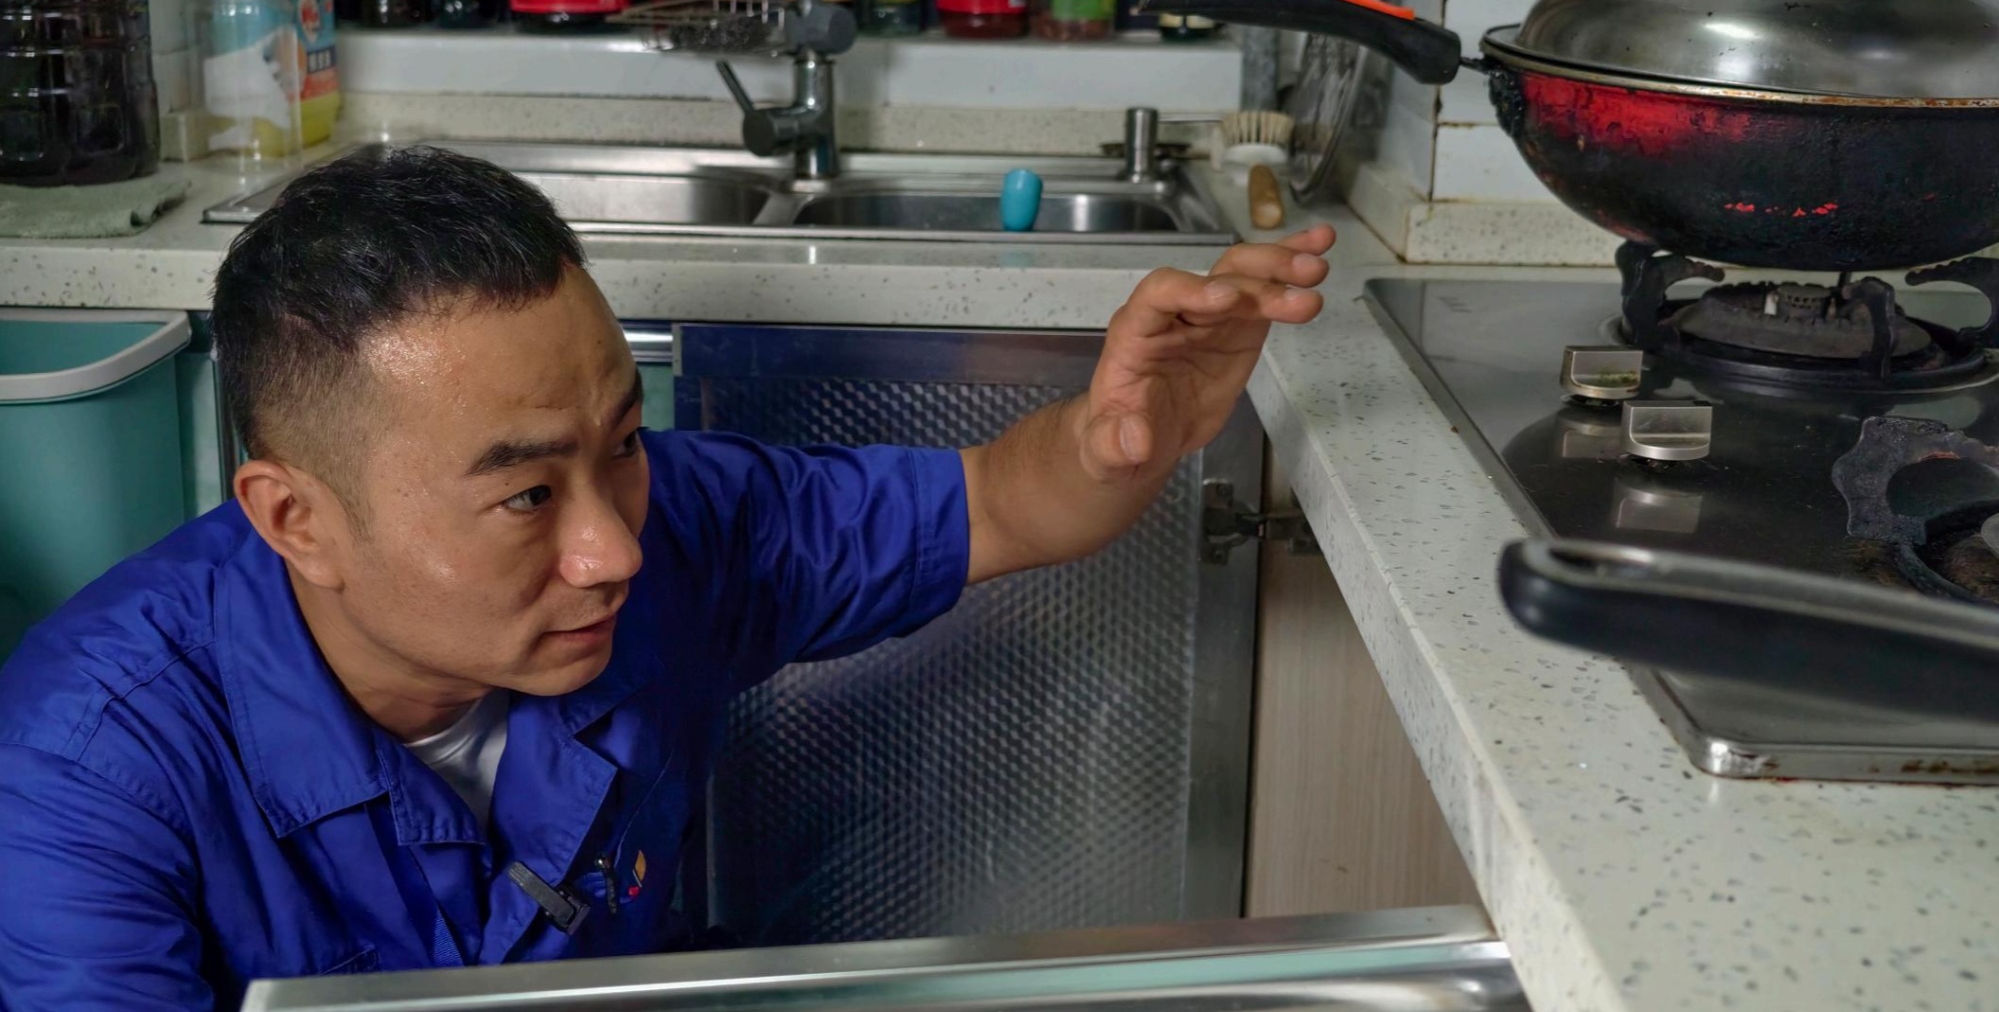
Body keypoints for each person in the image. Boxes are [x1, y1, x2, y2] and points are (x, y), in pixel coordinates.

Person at [0, 146, 1333, 1008]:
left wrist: (1112, 439)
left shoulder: (682, 527)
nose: (615, 551)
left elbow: (993, 502)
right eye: (525, 495)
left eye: (623, 445)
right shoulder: (85, 773)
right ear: (297, 519)